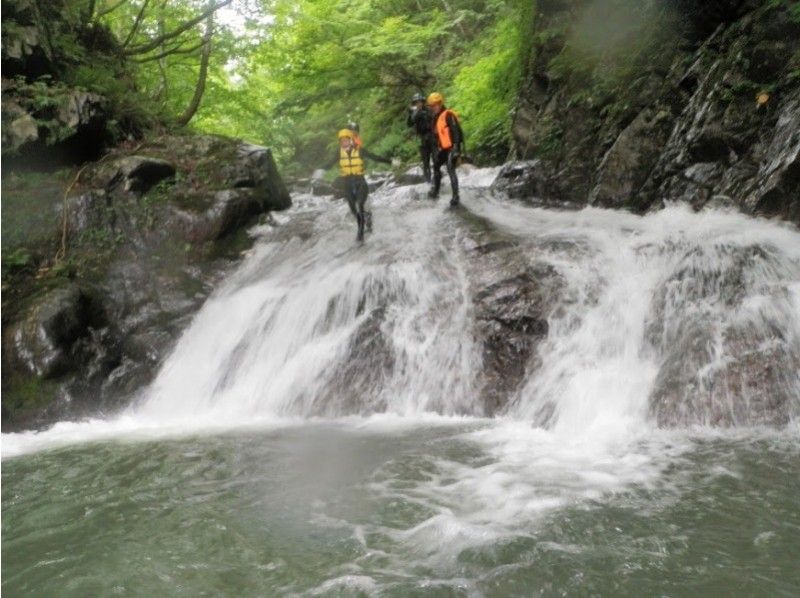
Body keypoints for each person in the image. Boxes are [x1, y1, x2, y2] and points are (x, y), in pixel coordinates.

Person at [314, 128, 391, 242]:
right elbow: (329, 164)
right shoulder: (339, 152)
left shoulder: (360, 150)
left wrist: (390, 161)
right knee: (353, 210)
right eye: (341, 141)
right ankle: (367, 216)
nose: (343, 143)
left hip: (360, 181)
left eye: (345, 140)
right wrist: (321, 170)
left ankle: (360, 234)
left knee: (359, 205)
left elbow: (375, 157)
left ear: (350, 140)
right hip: (347, 183)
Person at [426, 91, 463, 207]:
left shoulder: (448, 115)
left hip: (452, 147)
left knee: (450, 168)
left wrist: (456, 148)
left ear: (440, 104)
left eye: (435, 105)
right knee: (436, 165)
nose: (433, 108)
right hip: (444, 149)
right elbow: (436, 136)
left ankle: (455, 196)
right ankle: (435, 191)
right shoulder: (435, 119)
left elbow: (456, 131)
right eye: (431, 106)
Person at [406, 92, 435, 182]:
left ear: (423, 102)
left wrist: (422, 113)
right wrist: (413, 114)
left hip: (432, 137)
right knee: (425, 162)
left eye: (420, 102)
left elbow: (432, 118)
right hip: (422, 138)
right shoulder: (413, 112)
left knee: (436, 159)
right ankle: (428, 181)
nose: (418, 104)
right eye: (416, 102)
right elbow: (409, 124)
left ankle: (437, 180)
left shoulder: (428, 110)